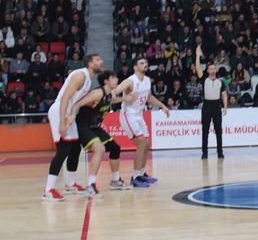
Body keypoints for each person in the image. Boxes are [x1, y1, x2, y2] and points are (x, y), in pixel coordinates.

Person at [42, 53, 103, 201]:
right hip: (59, 111)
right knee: (63, 149)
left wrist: (89, 102)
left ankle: (70, 184)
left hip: (68, 113)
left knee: (75, 147)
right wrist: (62, 121)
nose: (101, 62)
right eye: (97, 60)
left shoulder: (88, 80)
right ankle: (48, 190)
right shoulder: (80, 76)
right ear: (90, 63)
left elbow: (76, 101)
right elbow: (65, 98)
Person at [67, 71, 131, 197]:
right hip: (83, 125)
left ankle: (115, 180)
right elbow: (78, 103)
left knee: (115, 148)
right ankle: (91, 185)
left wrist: (124, 98)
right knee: (99, 149)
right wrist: (73, 115)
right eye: (113, 77)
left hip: (95, 126)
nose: (117, 79)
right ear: (106, 81)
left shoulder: (109, 94)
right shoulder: (97, 93)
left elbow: (112, 100)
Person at [112, 57, 170, 187]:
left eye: (146, 62)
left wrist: (162, 106)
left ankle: (142, 173)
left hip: (139, 115)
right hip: (128, 115)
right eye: (142, 63)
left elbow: (149, 97)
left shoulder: (148, 80)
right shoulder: (130, 81)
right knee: (142, 143)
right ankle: (135, 177)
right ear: (135, 67)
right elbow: (113, 93)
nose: (145, 64)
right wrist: (124, 98)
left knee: (146, 145)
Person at [195, 45, 228, 160]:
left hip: (216, 106)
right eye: (211, 69)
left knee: (219, 130)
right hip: (207, 106)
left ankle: (220, 152)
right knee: (205, 131)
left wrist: (225, 107)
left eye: (214, 69)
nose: (213, 70)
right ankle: (205, 153)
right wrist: (197, 56)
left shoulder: (220, 81)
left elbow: (224, 94)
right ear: (208, 70)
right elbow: (198, 69)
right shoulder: (204, 80)